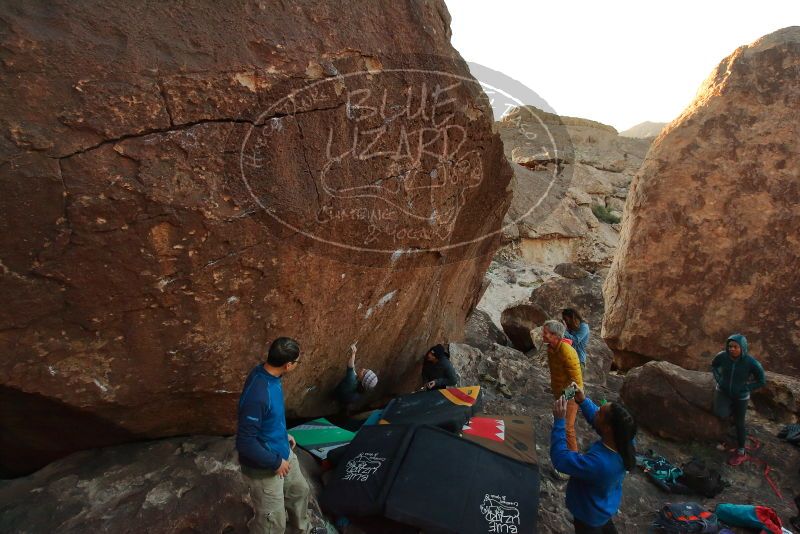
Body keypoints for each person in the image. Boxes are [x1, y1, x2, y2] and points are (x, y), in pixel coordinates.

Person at [236, 337, 324, 534]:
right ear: (288, 364)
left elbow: (270, 416)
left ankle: (303, 529)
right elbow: (245, 442)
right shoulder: (258, 394)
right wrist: (275, 462)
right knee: (272, 523)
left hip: (281, 449)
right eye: (297, 362)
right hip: (265, 468)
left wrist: (283, 434)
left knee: (299, 491)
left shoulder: (270, 375)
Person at [551, 382, 637, 534]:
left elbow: (560, 459)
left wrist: (559, 421)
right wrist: (583, 401)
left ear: (608, 428)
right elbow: (598, 422)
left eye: (600, 412)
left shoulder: (599, 463)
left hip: (587, 515)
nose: (596, 411)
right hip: (604, 506)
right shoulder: (626, 441)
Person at [711, 333, 766, 465]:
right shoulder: (722, 356)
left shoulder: (751, 363)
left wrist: (747, 388)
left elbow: (761, 381)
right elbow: (714, 365)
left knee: (740, 423)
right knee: (720, 413)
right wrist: (719, 378)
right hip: (723, 392)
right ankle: (728, 433)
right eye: (730, 346)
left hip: (741, 396)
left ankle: (741, 451)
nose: (732, 349)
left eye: (735, 347)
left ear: (743, 347)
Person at [543, 320, 584, 451]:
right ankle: (562, 452)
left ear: (555, 335)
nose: (542, 335)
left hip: (571, 395)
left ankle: (574, 460)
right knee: (560, 425)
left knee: (568, 428)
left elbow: (576, 383)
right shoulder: (550, 349)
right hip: (559, 392)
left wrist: (564, 398)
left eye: (545, 333)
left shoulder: (568, 352)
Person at [334, 342, 378, 413]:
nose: (363, 369)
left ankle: (335, 398)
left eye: (364, 372)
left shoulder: (352, 380)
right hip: (349, 398)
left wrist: (353, 353)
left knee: (337, 394)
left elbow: (350, 367)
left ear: (362, 379)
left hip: (340, 393)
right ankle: (343, 406)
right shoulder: (362, 388)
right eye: (366, 370)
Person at [563, 308, 590, 373]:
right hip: (567, 359)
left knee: (575, 382)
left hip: (578, 360)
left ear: (573, 318)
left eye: (566, 319)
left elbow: (575, 341)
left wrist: (563, 330)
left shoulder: (584, 327)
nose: (566, 321)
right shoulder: (569, 328)